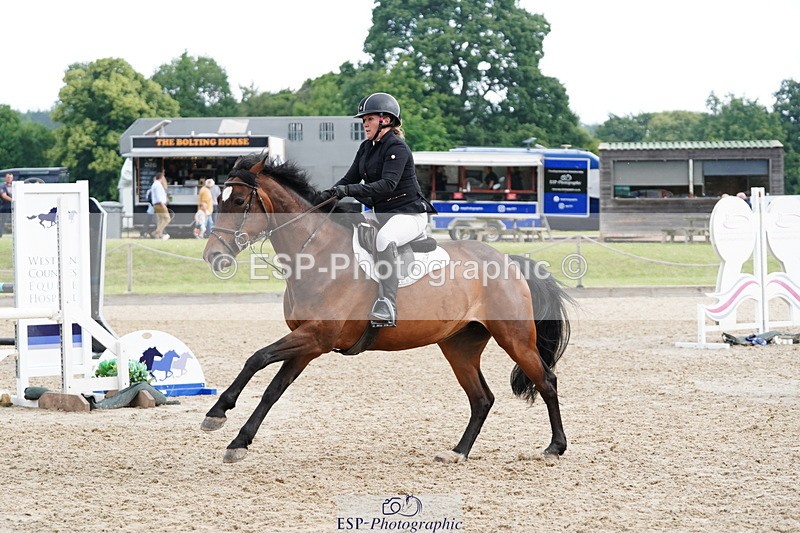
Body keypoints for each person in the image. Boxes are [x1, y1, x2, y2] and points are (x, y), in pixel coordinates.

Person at [316, 92, 436, 327]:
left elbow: (387, 185)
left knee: (384, 239)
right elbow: (349, 178)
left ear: (385, 120)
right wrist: (326, 195)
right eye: (363, 120)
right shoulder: (366, 148)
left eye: (368, 119)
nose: (364, 124)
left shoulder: (397, 148)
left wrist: (347, 190)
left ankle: (388, 304)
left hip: (408, 214)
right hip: (382, 212)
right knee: (347, 229)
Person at [147, 172, 171, 240]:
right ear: (161, 177)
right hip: (160, 204)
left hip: (156, 204)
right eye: (163, 177)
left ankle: (158, 235)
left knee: (160, 220)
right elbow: (158, 195)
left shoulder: (155, 184)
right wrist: (161, 203)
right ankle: (158, 231)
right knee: (167, 219)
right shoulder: (157, 185)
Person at [0, 173, 13, 238]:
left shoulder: (13, 186)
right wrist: (14, 200)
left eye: (10, 178)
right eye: (8, 177)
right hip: (5, 207)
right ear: (5, 178)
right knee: (2, 222)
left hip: (14, 207)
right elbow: (4, 196)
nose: (9, 179)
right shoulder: (2, 186)